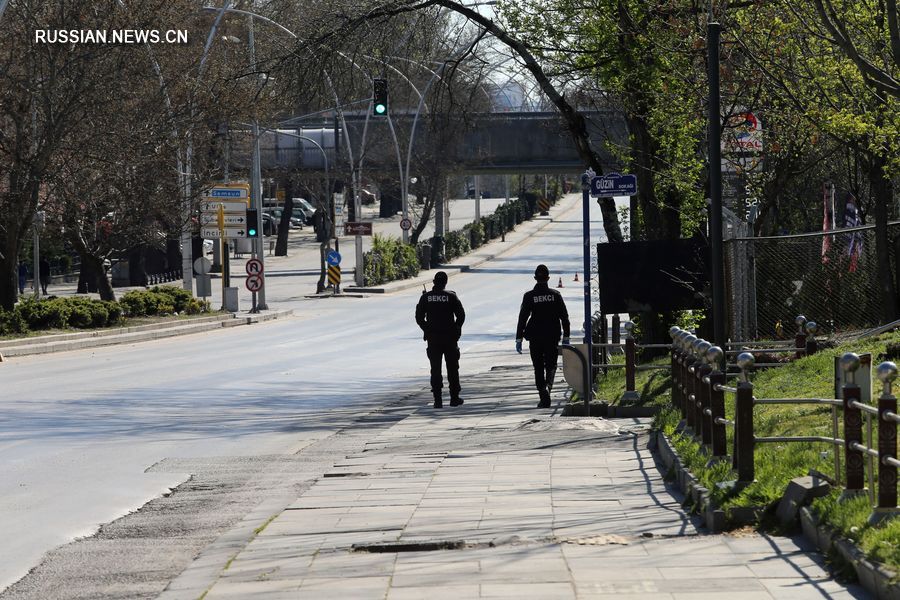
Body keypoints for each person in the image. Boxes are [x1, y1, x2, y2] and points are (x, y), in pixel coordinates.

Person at [516, 264, 570, 408]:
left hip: (535, 337)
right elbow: (564, 317)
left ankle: (542, 393)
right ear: (548, 278)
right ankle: (548, 387)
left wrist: (519, 338)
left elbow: (523, 318)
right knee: (551, 365)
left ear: (535, 278)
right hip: (552, 335)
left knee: (538, 366)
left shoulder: (529, 296)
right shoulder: (555, 295)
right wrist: (566, 336)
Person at [415, 271, 466, 408]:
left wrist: (427, 329)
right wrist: (456, 328)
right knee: (453, 369)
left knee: (435, 369)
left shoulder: (426, 297)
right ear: (445, 282)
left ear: (434, 282)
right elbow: (461, 316)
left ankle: (438, 400)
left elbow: (419, 317)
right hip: (449, 338)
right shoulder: (451, 296)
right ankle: (454, 398)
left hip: (433, 339)